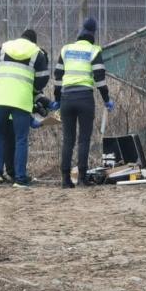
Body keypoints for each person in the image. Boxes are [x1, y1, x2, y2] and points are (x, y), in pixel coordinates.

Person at [53, 17, 114, 188]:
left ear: (80, 33)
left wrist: (57, 99)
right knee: (84, 139)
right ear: (93, 34)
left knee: (68, 139)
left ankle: (65, 180)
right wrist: (107, 100)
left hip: (66, 98)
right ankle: (81, 178)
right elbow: (100, 80)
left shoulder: (66, 49)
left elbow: (57, 77)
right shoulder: (94, 51)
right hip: (85, 98)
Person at [0, 29, 50, 188]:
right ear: (34, 42)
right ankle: (20, 179)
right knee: (21, 139)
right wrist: (34, 92)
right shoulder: (37, 53)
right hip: (21, 101)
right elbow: (42, 80)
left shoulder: (4, 47)